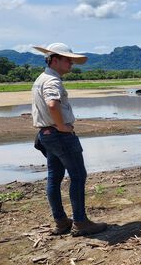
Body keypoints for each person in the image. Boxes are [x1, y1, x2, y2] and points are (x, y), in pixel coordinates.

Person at [32, 43, 107, 236]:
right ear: (54, 60)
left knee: (54, 177)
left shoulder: (42, 78)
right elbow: (52, 104)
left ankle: (61, 221)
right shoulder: (52, 81)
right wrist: (62, 126)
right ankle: (80, 222)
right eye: (68, 59)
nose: (71, 63)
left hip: (46, 134)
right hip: (59, 135)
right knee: (78, 176)